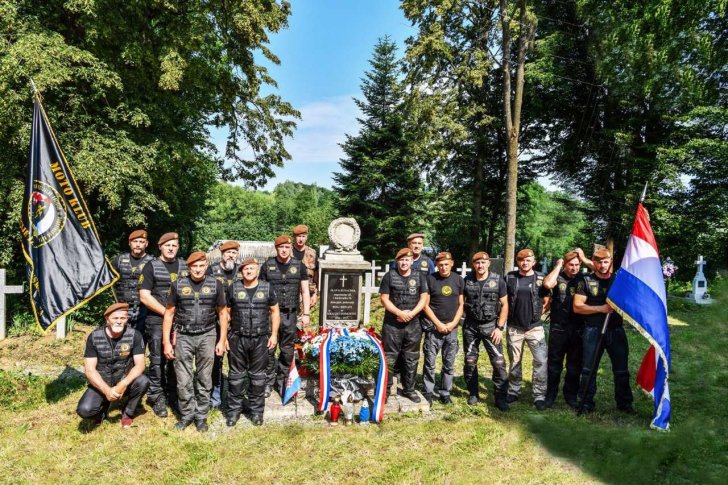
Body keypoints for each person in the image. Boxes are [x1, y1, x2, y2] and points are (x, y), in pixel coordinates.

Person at [163, 251, 228, 432]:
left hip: (207, 335)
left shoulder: (216, 285)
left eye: (201, 266)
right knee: (183, 379)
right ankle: (187, 415)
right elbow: (168, 314)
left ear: (206, 266)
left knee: (204, 377)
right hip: (183, 336)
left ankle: (201, 416)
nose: (198, 269)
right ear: (189, 267)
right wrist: (167, 342)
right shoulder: (178, 285)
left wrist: (222, 340)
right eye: (194, 266)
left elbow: (223, 314)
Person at [573, 248, 634, 414]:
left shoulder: (618, 281)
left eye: (606, 262)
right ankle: (586, 403)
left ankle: (624, 403)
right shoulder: (586, 281)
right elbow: (577, 307)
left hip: (616, 330)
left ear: (610, 262)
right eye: (599, 262)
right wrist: (601, 308)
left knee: (621, 370)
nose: (602, 265)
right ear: (594, 262)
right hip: (593, 330)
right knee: (588, 369)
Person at [226, 257, 280, 427]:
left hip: (260, 338)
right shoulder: (233, 288)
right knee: (236, 377)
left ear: (257, 270)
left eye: (252, 268)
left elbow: (275, 312)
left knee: (258, 378)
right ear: (241, 271)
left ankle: (256, 412)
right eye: (245, 269)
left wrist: (274, 335)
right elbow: (226, 313)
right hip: (237, 338)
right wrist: (225, 337)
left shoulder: (267, 287)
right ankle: (233, 411)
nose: (249, 271)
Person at [138, 232, 188, 417]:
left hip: (181, 321)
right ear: (160, 247)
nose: (171, 248)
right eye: (167, 245)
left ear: (178, 247)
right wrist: (167, 314)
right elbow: (144, 296)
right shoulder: (151, 266)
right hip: (156, 320)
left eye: (174, 245)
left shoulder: (185, 265)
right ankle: (156, 396)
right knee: (158, 359)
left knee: (177, 359)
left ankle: (173, 394)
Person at [76, 303, 149, 428]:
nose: (119, 321)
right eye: (115, 318)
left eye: (123, 318)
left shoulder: (135, 335)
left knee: (143, 381)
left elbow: (140, 365)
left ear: (127, 319)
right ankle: (102, 411)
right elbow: (90, 370)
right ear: (107, 319)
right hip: (102, 380)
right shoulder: (94, 337)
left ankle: (128, 413)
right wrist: (106, 390)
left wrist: (123, 384)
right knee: (85, 410)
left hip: (123, 379)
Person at [259, 235, 311, 396]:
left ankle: (282, 381)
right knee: (269, 349)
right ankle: (267, 382)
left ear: (291, 248)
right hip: (270, 315)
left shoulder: (299, 266)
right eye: (281, 247)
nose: (284, 250)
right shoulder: (267, 266)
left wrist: (306, 313)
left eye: (287, 247)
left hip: (290, 314)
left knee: (287, 350)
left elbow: (305, 291)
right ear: (276, 248)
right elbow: (261, 290)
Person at [542, 249, 593, 409]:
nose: (574, 268)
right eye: (571, 265)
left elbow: (601, 269)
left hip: (578, 328)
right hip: (559, 328)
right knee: (554, 364)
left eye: (577, 265)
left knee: (574, 366)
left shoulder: (584, 278)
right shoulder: (558, 277)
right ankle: (550, 395)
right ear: (565, 264)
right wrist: (558, 266)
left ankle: (570, 395)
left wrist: (584, 258)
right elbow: (547, 284)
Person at [379, 248, 429, 403]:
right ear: (397, 261)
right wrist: (399, 313)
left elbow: (424, 298)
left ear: (412, 261)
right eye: (401, 260)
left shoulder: (420, 276)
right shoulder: (389, 276)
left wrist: (411, 314)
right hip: (392, 324)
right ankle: (386, 390)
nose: (404, 262)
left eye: (407, 260)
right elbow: (384, 299)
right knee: (389, 357)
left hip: (413, 324)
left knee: (411, 357)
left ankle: (409, 389)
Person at [462, 251, 510, 411]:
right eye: (477, 263)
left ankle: (500, 397)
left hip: (491, 326)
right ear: (473, 265)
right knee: (470, 361)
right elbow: (460, 302)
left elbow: (505, 305)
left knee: (498, 362)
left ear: (488, 263)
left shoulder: (498, 280)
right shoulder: (467, 280)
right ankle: (473, 393)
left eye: (483, 262)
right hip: (471, 326)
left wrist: (500, 328)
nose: (480, 265)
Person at [505, 248, 550, 410]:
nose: (525, 263)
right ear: (518, 262)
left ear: (534, 262)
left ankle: (539, 395)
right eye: (521, 260)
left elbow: (547, 300)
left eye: (528, 260)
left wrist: (538, 314)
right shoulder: (510, 277)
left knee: (541, 361)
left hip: (535, 328)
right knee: (515, 361)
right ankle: (513, 390)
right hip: (514, 327)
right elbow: (503, 300)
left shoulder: (541, 278)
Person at [422, 252, 464, 406]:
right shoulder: (430, 279)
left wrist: (453, 323)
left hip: (451, 329)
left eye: (446, 264)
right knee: (430, 362)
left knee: (449, 363)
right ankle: (428, 392)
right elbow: (425, 305)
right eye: (440, 265)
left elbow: (461, 304)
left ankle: (445, 392)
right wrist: (437, 323)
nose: (443, 267)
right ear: (436, 265)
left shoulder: (458, 279)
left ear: (451, 264)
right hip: (434, 328)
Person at [206, 240, 240, 409]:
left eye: (234, 253)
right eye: (228, 253)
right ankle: (215, 398)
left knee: (236, 361)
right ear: (222, 254)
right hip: (215, 321)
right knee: (216, 361)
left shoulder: (241, 270)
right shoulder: (211, 270)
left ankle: (235, 398)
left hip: (237, 322)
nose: (231, 256)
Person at [111, 229, 153, 337]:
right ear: (129, 243)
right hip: (121, 306)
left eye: (141, 242)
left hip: (144, 309)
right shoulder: (119, 260)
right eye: (135, 241)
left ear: (146, 244)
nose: (138, 245)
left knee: (140, 338)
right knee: (120, 337)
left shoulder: (153, 262)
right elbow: (108, 279)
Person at [292, 224, 319, 310]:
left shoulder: (312, 253)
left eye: (303, 236)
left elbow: (316, 275)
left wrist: (315, 294)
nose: (301, 239)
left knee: (305, 317)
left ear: (306, 237)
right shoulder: (288, 252)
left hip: (307, 296)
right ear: (294, 237)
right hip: (290, 295)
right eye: (298, 236)